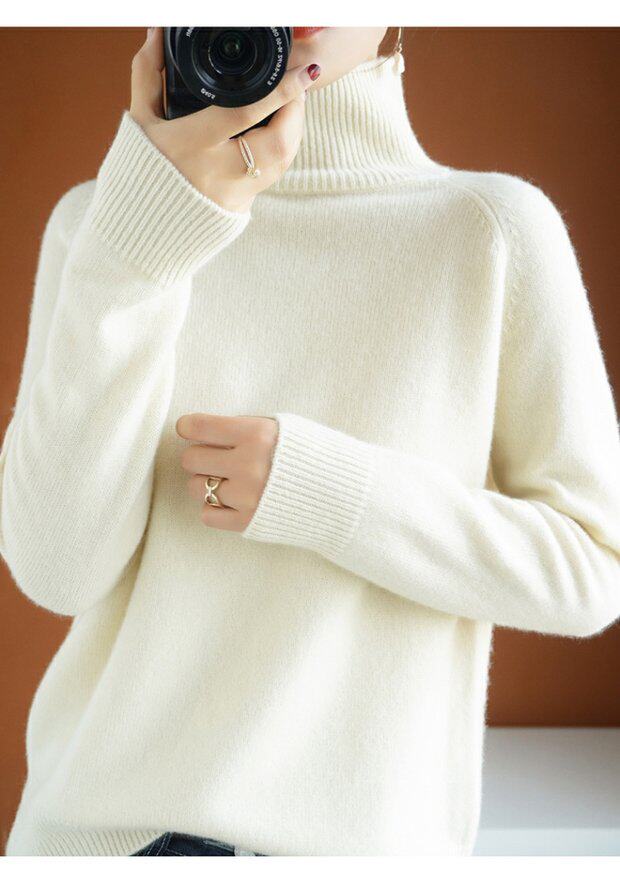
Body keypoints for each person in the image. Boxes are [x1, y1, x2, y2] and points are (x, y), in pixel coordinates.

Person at [1, 24, 619, 858]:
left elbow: (592, 567)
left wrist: (326, 490)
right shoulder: (103, 227)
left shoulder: (489, 231)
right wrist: (139, 244)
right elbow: (55, 570)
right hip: (99, 838)